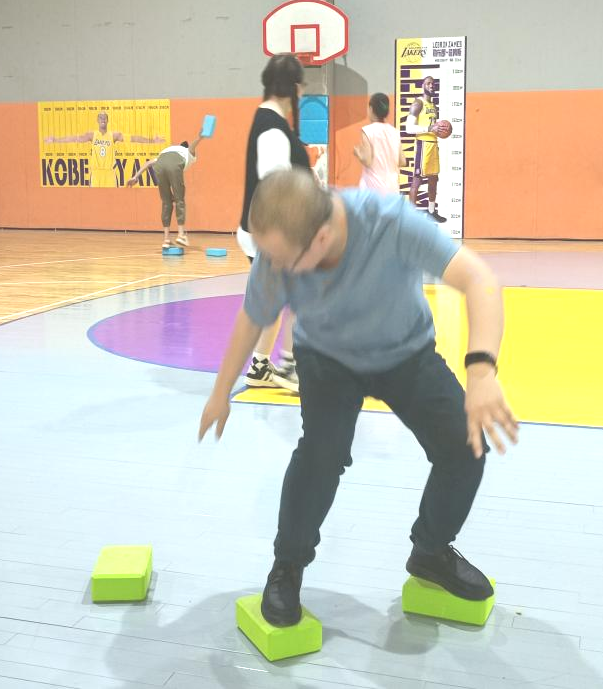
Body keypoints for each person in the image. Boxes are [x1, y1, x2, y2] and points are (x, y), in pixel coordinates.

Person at [199, 168, 519, 627]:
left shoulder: (390, 222)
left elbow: (479, 278)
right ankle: (287, 566)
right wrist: (220, 393)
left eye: (283, 260)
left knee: (465, 447)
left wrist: (482, 369)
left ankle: (430, 551)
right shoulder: (277, 255)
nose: (273, 268)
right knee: (321, 456)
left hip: (405, 352)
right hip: (327, 359)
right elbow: (252, 318)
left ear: (321, 237)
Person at [237, 53, 312, 393]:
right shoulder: (273, 128)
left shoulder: (269, 119)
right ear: (294, 87)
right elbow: (276, 187)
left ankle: (261, 366)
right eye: (301, 86)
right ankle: (291, 366)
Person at [45, 111, 165, 188]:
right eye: (100, 117)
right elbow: (75, 138)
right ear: (97, 120)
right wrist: (55, 140)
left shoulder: (113, 135)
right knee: (94, 202)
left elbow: (133, 138)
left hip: (109, 174)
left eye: (105, 118)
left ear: (108, 120)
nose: (103, 119)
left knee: (111, 202)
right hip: (96, 174)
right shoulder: (92, 135)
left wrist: (152, 141)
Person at [127, 133, 204, 249]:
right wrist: (200, 137)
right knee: (179, 199)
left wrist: (135, 177)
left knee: (166, 202)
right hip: (174, 165)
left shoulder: (169, 150)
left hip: (160, 164)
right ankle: (181, 235)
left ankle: (166, 240)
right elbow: (193, 146)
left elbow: (148, 163)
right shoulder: (186, 152)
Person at [406, 77, 447, 223]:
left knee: (433, 180)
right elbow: (408, 128)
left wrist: (441, 131)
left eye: (433, 84)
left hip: (433, 144)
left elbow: (434, 127)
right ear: (422, 85)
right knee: (417, 180)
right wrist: (429, 128)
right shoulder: (418, 103)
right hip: (422, 145)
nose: (431, 86)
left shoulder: (433, 106)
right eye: (428, 83)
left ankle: (431, 211)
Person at [354, 92, 405, 194]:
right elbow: (402, 161)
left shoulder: (368, 131)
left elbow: (367, 160)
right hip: (392, 190)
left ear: (371, 109)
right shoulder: (395, 132)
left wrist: (358, 153)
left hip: (372, 190)